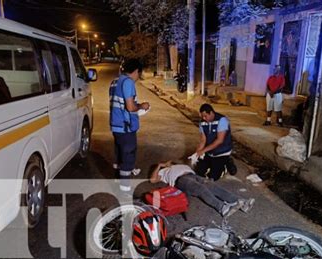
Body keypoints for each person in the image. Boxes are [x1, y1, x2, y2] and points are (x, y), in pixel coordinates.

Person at [150, 161, 255, 219]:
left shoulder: (180, 165)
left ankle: (239, 201)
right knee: (200, 189)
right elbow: (153, 180)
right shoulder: (165, 171)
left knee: (212, 186)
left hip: (194, 176)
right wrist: (160, 165)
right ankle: (222, 208)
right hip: (181, 180)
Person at [109, 58, 150, 192]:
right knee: (128, 155)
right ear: (136, 71)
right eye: (139, 73)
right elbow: (131, 107)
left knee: (119, 153)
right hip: (125, 125)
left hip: (116, 124)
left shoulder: (115, 81)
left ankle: (117, 178)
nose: (139, 77)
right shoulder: (128, 82)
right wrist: (142, 106)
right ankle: (125, 187)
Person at [194, 104, 234, 181]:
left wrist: (203, 150)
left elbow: (220, 140)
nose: (204, 118)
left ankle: (226, 163)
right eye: (202, 116)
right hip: (210, 152)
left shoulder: (222, 120)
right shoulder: (202, 122)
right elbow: (203, 140)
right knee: (199, 172)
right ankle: (214, 163)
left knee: (213, 177)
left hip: (222, 151)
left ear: (211, 113)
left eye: (205, 116)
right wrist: (197, 152)